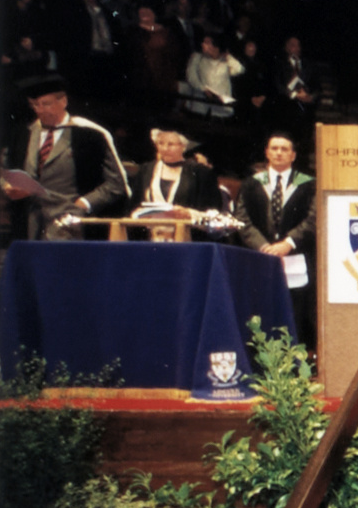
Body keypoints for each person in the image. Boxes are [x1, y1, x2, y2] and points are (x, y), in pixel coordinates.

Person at [2, 74, 129, 241]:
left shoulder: (89, 135)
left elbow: (116, 184)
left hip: (73, 224)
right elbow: (4, 169)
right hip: (30, 225)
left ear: (63, 102)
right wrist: (7, 186)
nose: (40, 110)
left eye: (46, 104)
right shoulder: (23, 134)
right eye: (35, 105)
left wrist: (85, 203)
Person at [239, 131, 319, 346]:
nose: (279, 153)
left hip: (297, 256)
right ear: (267, 153)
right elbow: (242, 220)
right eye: (274, 148)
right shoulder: (251, 184)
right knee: (261, 308)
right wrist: (264, 246)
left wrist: (288, 243)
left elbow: (314, 218)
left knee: (296, 310)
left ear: (293, 155)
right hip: (261, 256)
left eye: (284, 149)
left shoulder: (309, 185)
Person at [126, 126, 226, 216]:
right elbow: (134, 205)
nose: (165, 149)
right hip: (150, 231)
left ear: (183, 146)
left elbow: (213, 210)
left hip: (185, 232)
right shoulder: (146, 170)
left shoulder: (201, 173)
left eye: (171, 144)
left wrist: (188, 213)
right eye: (160, 143)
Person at [179, 31, 245, 119]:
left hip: (220, 108)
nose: (203, 44)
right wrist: (203, 89)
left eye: (207, 43)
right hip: (200, 105)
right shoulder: (197, 57)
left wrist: (228, 57)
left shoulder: (225, 60)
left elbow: (239, 70)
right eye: (203, 42)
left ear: (215, 46)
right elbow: (191, 77)